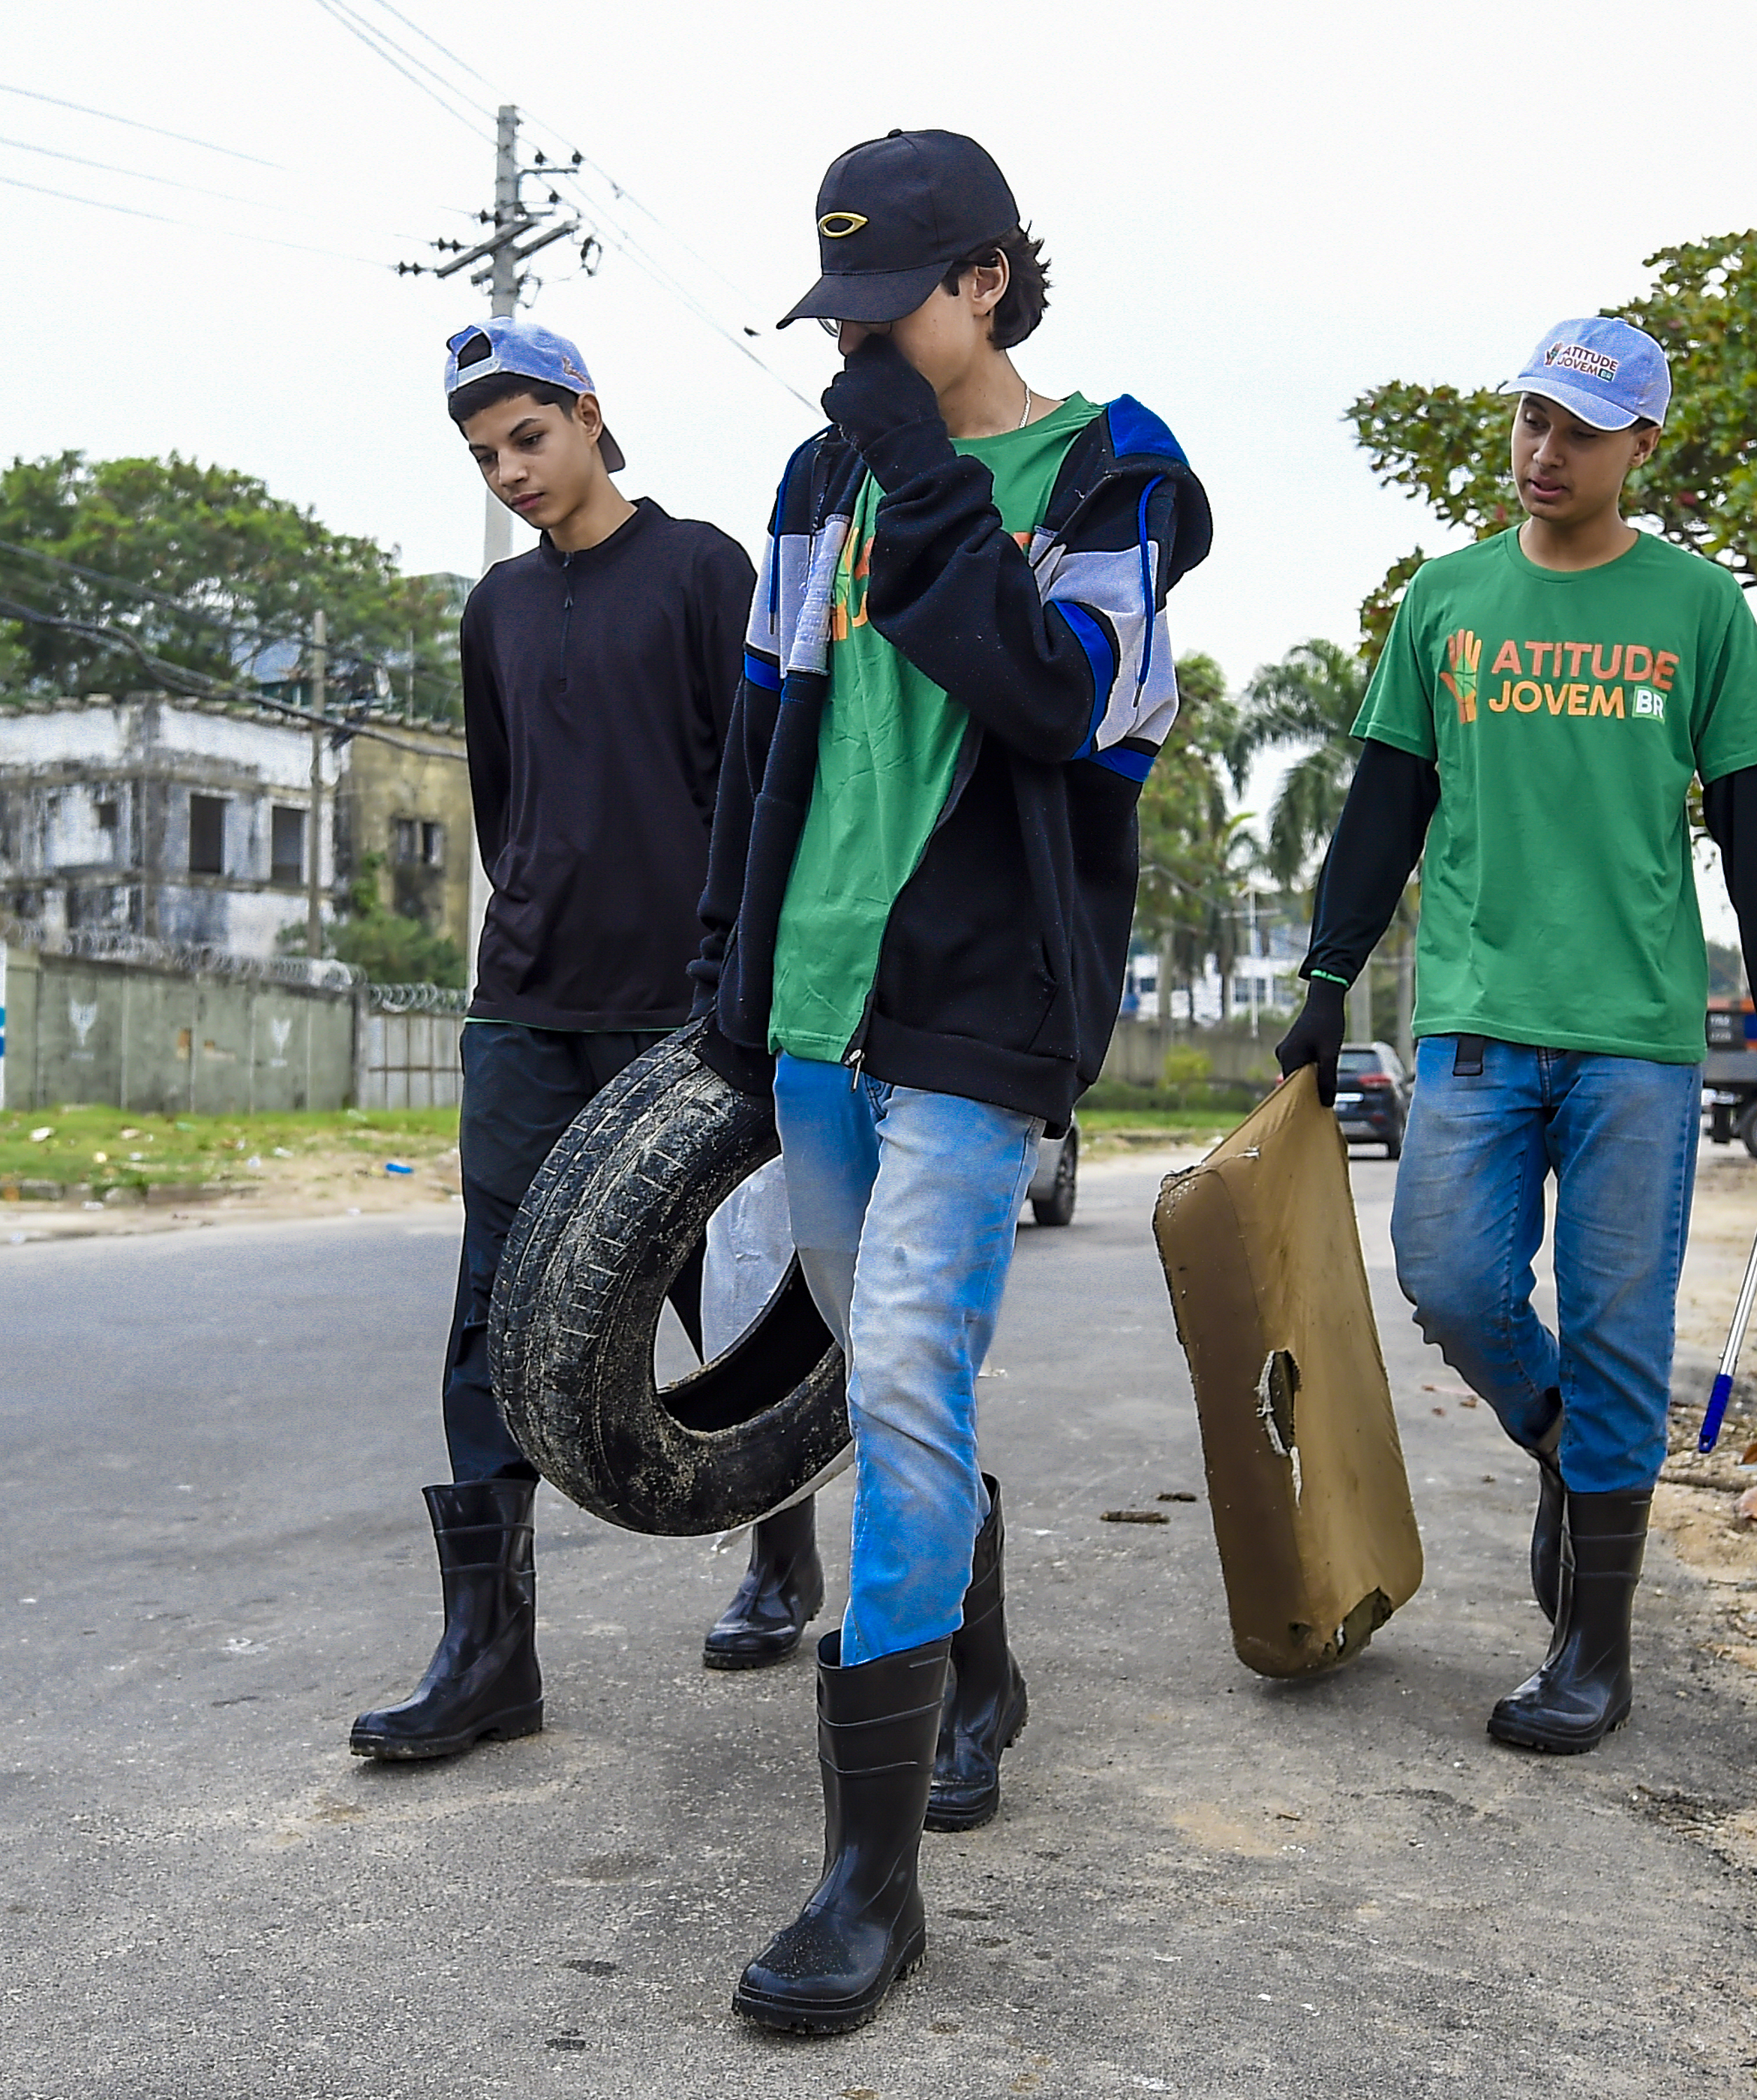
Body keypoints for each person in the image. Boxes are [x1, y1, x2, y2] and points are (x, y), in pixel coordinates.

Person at [692, 128, 1210, 2035]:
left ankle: (868, 1879)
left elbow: (1060, 699)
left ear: (986, 278)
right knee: (881, 1361)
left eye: (884, 303)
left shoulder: (1122, 479)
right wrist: (722, 970)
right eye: (833, 308)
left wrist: (928, 477)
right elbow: (764, 724)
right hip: (814, 993)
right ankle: (975, 1670)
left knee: (905, 1365)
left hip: (984, 999)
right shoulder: (818, 476)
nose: (853, 344)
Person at [1276, 316, 1757, 1758]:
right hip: (1470, 1016)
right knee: (1451, 1273)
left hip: (1635, 1037)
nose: (1546, 452)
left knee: (1617, 1324)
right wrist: (1328, 976)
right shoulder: (1446, 602)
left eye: (1581, 432)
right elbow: (1384, 807)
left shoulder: (1698, 609)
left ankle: (1593, 1646)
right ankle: (1564, 1444)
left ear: (1641, 445)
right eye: (1533, 420)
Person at [348, 314, 802, 1766]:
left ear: (593, 415)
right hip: (525, 1004)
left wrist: (733, 980)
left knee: (719, 1305)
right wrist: (537, 915)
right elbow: (505, 804)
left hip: (681, 1010)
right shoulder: (492, 606)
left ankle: (779, 1546)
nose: (512, 471)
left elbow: (752, 785)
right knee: (493, 1310)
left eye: (529, 437)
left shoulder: (703, 568)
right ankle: (488, 1653)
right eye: (485, 456)